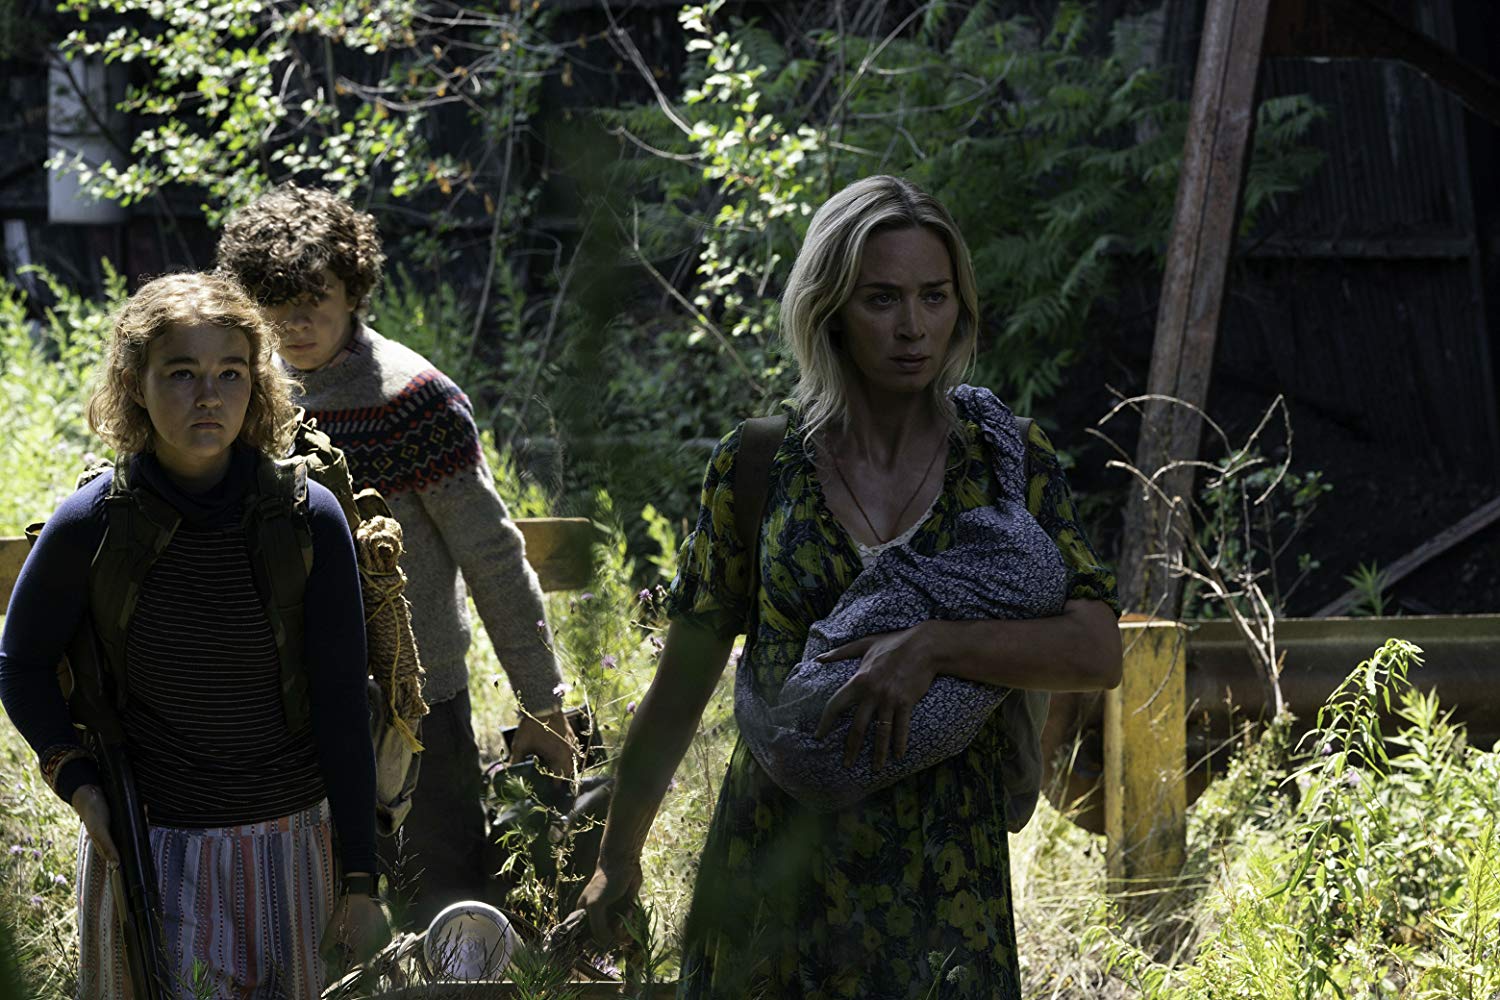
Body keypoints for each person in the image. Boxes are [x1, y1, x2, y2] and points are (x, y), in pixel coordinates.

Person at [567, 175, 1124, 998]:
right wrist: (617, 860)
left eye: (934, 296)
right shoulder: (760, 465)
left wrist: (935, 647)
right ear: (829, 309)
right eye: (881, 299)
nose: (913, 327)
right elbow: (682, 681)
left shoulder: (1005, 460)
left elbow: (1097, 650)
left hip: (942, 877)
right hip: (772, 872)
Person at [0, 273, 386, 998]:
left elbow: (342, 701)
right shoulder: (93, 523)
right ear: (135, 385)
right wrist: (79, 785)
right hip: (152, 853)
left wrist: (361, 878)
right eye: (181, 373)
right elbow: (21, 664)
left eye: (230, 373)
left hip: (292, 849)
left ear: (256, 384)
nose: (209, 396)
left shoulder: (308, 519)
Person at [215, 185, 578, 927]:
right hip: (278, 711)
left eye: (313, 299)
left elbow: (493, 556)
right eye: (273, 302)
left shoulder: (412, 401)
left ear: (353, 291)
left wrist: (542, 702)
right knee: (301, 920)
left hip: (415, 709)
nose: (294, 322)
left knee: (445, 914)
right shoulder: (232, 398)